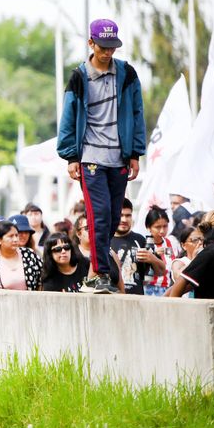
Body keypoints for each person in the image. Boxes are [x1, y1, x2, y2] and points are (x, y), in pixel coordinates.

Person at [57, 18, 147, 295]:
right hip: (91, 156)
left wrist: (135, 153)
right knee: (100, 215)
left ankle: (93, 273)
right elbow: (69, 117)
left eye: (112, 47)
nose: (108, 52)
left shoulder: (126, 73)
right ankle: (102, 274)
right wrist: (71, 156)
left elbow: (137, 113)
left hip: (119, 156)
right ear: (91, 43)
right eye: (103, 47)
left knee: (113, 215)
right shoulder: (79, 76)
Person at [108, 199, 160, 295]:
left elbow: (157, 272)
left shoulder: (140, 240)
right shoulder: (105, 242)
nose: (124, 220)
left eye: (128, 215)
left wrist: (153, 259)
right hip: (112, 299)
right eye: (120, 215)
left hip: (137, 299)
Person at [0, 220, 43, 291]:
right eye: (11, 236)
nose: (15, 239)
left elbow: (42, 279)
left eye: (16, 235)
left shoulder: (29, 254)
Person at [139, 208, 179, 297]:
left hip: (168, 289)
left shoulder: (172, 243)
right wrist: (154, 255)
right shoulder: (142, 244)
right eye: (157, 227)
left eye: (165, 226)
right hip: (148, 290)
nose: (162, 231)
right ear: (148, 227)